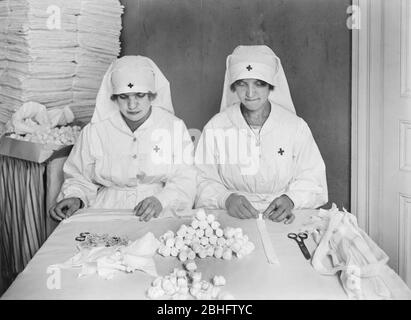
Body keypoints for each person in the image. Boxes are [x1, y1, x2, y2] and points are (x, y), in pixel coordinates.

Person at [50, 55, 196, 222]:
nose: (132, 105)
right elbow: (79, 176)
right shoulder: (95, 131)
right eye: (124, 96)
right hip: (106, 211)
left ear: (152, 95)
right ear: (113, 97)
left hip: (158, 212)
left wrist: (162, 201)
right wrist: (76, 197)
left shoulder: (173, 127)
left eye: (140, 95)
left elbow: (186, 177)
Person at [195, 45, 328, 223]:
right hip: (231, 218)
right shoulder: (216, 127)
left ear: (271, 86)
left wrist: (291, 199)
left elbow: (314, 179)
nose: (250, 93)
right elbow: (200, 178)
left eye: (259, 83)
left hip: (282, 217)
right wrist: (225, 199)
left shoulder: (295, 127)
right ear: (234, 86)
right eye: (243, 84)